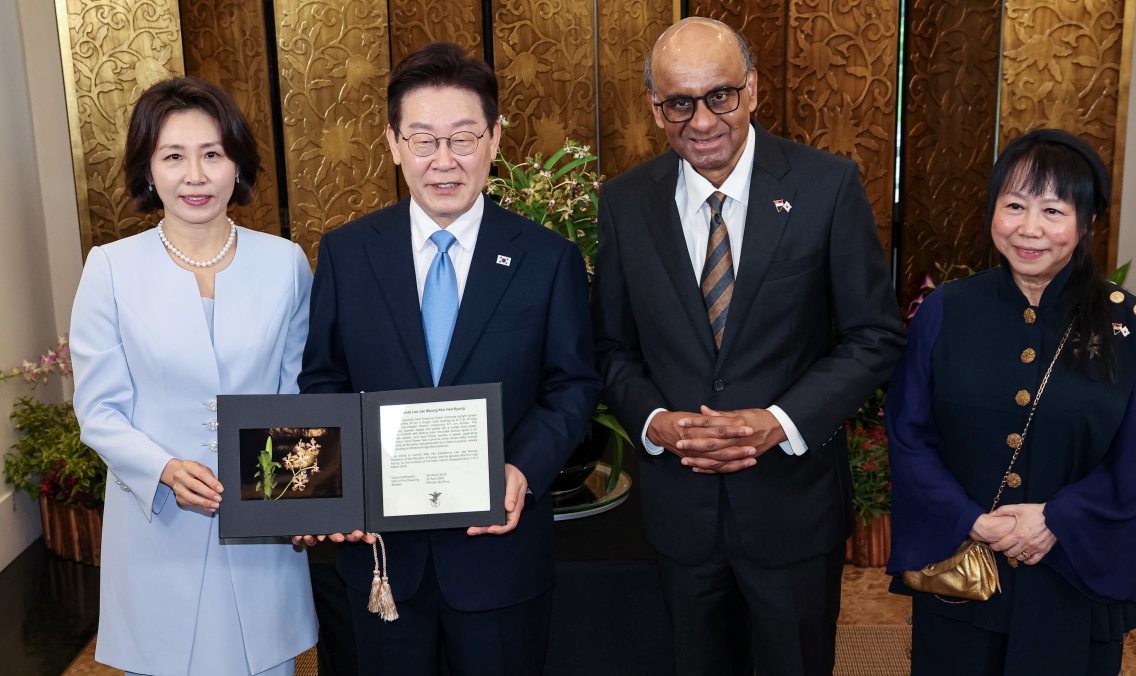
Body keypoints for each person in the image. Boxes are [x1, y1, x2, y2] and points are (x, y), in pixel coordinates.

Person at [592, 18, 906, 676]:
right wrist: (655, 422)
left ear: (754, 90)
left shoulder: (827, 187)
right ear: (655, 107)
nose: (701, 120)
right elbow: (612, 347)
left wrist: (779, 423)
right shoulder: (624, 205)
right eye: (680, 102)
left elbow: (873, 336)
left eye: (720, 96)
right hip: (680, 515)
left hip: (791, 507)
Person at [298, 42, 600, 675]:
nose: (443, 162)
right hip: (380, 556)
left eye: (463, 139)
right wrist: (335, 489)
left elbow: (570, 385)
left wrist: (523, 468)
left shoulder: (548, 261)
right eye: (423, 139)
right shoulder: (349, 255)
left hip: (499, 558)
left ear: (493, 140)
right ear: (392, 143)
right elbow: (324, 377)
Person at [886, 128, 1136, 675]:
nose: (1029, 229)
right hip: (963, 572)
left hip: (1069, 575)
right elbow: (909, 434)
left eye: (1053, 210)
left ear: (1086, 224)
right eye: (1014, 205)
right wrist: (971, 519)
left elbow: (1135, 461)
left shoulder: (1124, 328)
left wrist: (1058, 518)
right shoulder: (947, 310)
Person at [70, 76, 316, 675]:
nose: (196, 176)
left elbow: (300, 394)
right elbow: (99, 409)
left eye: (212, 153)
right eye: (173, 156)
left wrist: (303, 500)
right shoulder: (110, 269)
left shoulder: (284, 263)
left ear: (237, 163)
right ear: (148, 171)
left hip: (260, 523)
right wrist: (162, 468)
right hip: (159, 528)